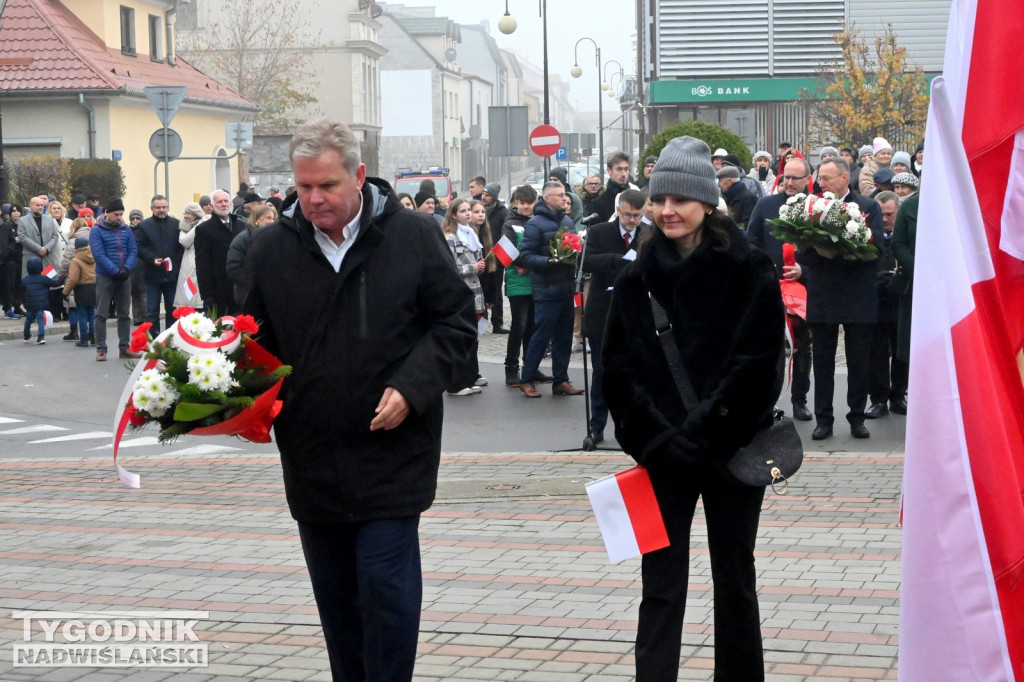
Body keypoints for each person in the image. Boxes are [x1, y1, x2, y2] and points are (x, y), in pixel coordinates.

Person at [242, 119, 475, 682]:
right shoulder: (271, 249)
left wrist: (412, 386)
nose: (315, 200)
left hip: (393, 452)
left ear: (359, 175)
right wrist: (198, 378)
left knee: (386, 595)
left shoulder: (413, 236)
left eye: (327, 186)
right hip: (313, 457)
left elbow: (456, 326)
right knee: (339, 606)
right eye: (303, 189)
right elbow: (255, 342)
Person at [603, 136, 784, 681]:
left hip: (733, 452)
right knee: (660, 587)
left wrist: (705, 432)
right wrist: (661, 442)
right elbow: (619, 373)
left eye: (680, 199)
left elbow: (760, 363)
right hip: (662, 461)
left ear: (708, 201)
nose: (666, 211)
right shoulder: (637, 277)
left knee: (735, 582)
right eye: (659, 200)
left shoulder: (749, 268)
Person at [797, 158, 884, 440]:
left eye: (826, 178)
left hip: (858, 295)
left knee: (858, 361)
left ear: (845, 177)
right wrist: (817, 252)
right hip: (823, 294)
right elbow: (800, 251)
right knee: (823, 362)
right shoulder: (811, 207)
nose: (821, 183)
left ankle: (857, 417)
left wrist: (839, 253)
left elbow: (877, 252)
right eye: (819, 178)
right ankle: (824, 420)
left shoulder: (868, 207)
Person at [746, 157, 815, 421]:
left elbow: (826, 254)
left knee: (802, 347)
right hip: (770, 289)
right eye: (785, 176)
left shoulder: (816, 208)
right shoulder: (765, 205)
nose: (789, 182)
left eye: (795, 178)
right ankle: (767, 403)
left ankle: (800, 400)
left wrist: (803, 271)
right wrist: (765, 272)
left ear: (807, 179)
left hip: (803, 291)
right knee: (769, 347)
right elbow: (751, 243)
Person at [580, 189, 646, 445]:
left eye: (637, 216)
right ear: (618, 211)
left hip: (635, 315)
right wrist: (617, 260)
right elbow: (585, 263)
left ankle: (634, 426)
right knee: (602, 373)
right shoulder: (599, 232)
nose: (632, 220)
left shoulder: (648, 235)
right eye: (628, 214)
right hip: (602, 313)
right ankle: (596, 427)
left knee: (636, 374)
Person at [517, 181, 586, 398]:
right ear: (547, 198)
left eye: (565, 195)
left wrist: (575, 254)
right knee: (541, 336)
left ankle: (561, 380)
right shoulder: (534, 224)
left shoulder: (567, 221)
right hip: (546, 290)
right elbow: (525, 256)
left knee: (564, 337)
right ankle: (526, 379)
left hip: (566, 288)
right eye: (560, 195)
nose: (565, 199)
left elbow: (573, 249)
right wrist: (549, 261)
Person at [866, 191, 908, 419]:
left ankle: (898, 396)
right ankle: (879, 399)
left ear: (898, 212)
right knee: (877, 353)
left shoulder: (907, 233)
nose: (884, 219)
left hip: (900, 300)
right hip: (875, 302)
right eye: (881, 214)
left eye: (890, 214)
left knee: (901, 352)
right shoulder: (868, 235)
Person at [442, 198, 487, 396]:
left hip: (475, 293)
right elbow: (448, 267)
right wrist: (472, 268)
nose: (468, 213)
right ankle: (455, 383)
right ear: (453, 215)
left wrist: (480, 267)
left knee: (473, 338)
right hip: (460, 294)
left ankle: (468, 378)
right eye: (463, 211)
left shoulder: (472, 234)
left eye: (469, 210)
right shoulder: (450, 237)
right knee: (460, 339)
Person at [89, 198, 139, 362]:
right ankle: (101, 349)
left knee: (124, 314)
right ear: (107, 213)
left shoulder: (126, 229)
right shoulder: (97, 230)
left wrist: (126, 269)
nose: (119, 217)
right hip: (105, 276)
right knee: (101, 313)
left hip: (124, 276)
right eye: (116, 214)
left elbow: (133, 250)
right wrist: (114, 270)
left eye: (121, 214)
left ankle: (124, 347)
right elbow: (99, 254)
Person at [501, 184, 539, 386]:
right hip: (517, 281)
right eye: (522, 202)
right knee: (519, 325)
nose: (526, 206)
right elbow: (506, 250)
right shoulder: (509, 223)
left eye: (529, 202)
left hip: (535, 280)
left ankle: (531, 367)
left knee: (532, 326)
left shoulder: (537, 220)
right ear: (516, 203)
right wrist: (524, 263)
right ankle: (511, 368)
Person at [135, 195, 183, 333]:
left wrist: (176, 262)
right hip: (151, 275)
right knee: (152, 312)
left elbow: (181, 246)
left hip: (172, 276)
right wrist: (151, 259)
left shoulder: (176, 224)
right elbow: (139, 246)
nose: (162, 210)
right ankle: (155, 343)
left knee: (172, 312)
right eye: (158, 207)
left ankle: (170, 340)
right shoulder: (143, 226)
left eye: (164, 207)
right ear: (152, 209)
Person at [195, 189, 245, 315]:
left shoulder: (242, 226)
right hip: (218, 290)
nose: (224, 204)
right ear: (211, 206)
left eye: (226, 201)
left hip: (240, 287)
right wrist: (207, 295)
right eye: (219, 202)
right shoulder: (204, 230)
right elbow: (202, 264)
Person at [226, 204, 277, 307]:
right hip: (249, 296)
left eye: (273, 218)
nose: (272, 222)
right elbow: (233, 267)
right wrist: (250, 285)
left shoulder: (274, 239)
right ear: (258, 219)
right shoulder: (243, 239)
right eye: (268, 218)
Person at [480, 183, 508, 333]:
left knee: (496, 290)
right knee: (481, 290)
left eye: (487, 195)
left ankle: (497, 323)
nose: (483, 197)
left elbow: (505, 234)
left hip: (496, 257)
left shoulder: (502, 212)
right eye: (483, 194)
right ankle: (481, 326)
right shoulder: (478, 209)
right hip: (481, 256)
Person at [61, 237, 96, 348]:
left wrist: (65, 292)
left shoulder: (75, 260)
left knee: (82, 315)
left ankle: (84, 340)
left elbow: (73, 279)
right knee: (92, 313)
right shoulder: (93, 257)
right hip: (94, 288)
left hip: (82, 289)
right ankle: (94, 337)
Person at [174, 203, 206, 309]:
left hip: (198, 263)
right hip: (188, 265)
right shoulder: (187, 226)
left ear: (196, 215)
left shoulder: (202, 226)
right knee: (188, 299)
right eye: (185, 213)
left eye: (189, 213)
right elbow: (184, 241)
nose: (186, 216)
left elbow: (185, 240)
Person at [591, 151, 637, 223]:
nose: (623, 174)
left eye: (626, 169)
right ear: (609, 171)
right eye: (619, 169)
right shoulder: (598, 203)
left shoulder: (637, 194)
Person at [21, 257, 54, 345]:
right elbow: (55, 283)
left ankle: (26, 334)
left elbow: (21, 291)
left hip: (30, 304)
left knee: (28, 319)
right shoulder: (44, 278)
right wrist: (62, 279)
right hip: (41, 304)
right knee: (40, 319)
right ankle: (41, 337)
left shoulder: (25, 280)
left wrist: (24, 303)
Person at [128, 208, 147, 325]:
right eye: (133, 218)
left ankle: (146, 317)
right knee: (134, 293)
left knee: (143, 293)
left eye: (138, 218)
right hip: (131, 265)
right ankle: (137, 318)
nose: (135, 220)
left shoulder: (145, 230)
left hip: (143, 263)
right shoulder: (127, 231)